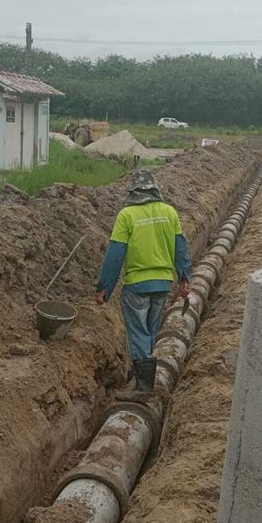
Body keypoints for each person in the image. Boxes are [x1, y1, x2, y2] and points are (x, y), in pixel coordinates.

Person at [95, 169, 191, 402]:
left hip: (137, 285)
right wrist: (185, 277)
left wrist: (104, 287)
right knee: (149, 329)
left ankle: (143, 387)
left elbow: (115, 255)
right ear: (154, 189)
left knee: (138, 332)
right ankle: (144, 379)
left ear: (133, 192)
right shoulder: (169, 212)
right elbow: (181, 248)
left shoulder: (127, 215)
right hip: (162, 284)